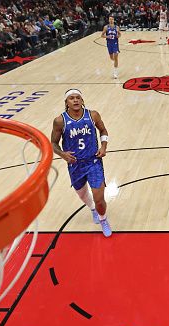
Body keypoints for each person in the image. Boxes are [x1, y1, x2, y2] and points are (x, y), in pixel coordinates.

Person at [51, 89, 113, 237]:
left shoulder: (93, 115)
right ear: (66, 102)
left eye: (78, 97)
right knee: (83, 195)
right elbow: (53, 143)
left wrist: (104, 146)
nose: (75, 100)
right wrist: (62, 154)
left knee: (99, 198)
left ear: (82, 100)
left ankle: (103, 219)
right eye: (71, 98)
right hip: (75, 164)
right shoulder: (60, 121)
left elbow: (103, 130)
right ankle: (92, 209)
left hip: (93, 162)